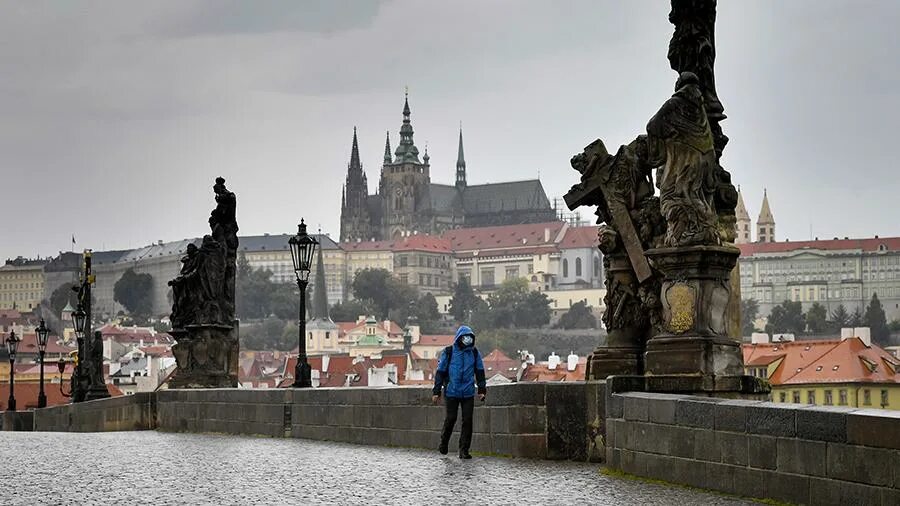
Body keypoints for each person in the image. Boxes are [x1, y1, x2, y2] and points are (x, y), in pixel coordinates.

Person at [432, 325, 486, 459]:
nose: (467, 340)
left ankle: (464, 450)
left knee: (467, 421)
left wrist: (481, 389)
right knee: (451, 418)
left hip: (467, 391)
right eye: (465, 337)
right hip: (451, 391)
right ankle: (444, 443)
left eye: (469, 337)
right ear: (459, 338)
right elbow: (440, 372)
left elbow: (479, 371)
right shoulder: (449, 352)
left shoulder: (474, 353)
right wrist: (436, 391)